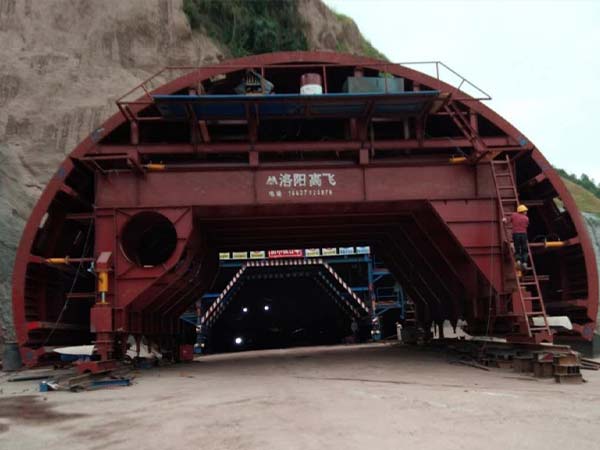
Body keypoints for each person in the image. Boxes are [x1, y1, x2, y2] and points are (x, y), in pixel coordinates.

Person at [504, 204, 530, 268]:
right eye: (525, 211)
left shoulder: (513, 215)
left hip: (515, 235)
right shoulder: (526, 218)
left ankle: (518, 260)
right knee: (524, 249)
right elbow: (526, 225)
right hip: (523, 234)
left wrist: (504, 220)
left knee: (517, 248)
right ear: (523, 211)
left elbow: (507, 222)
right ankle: (524, 262)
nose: (526, 212)